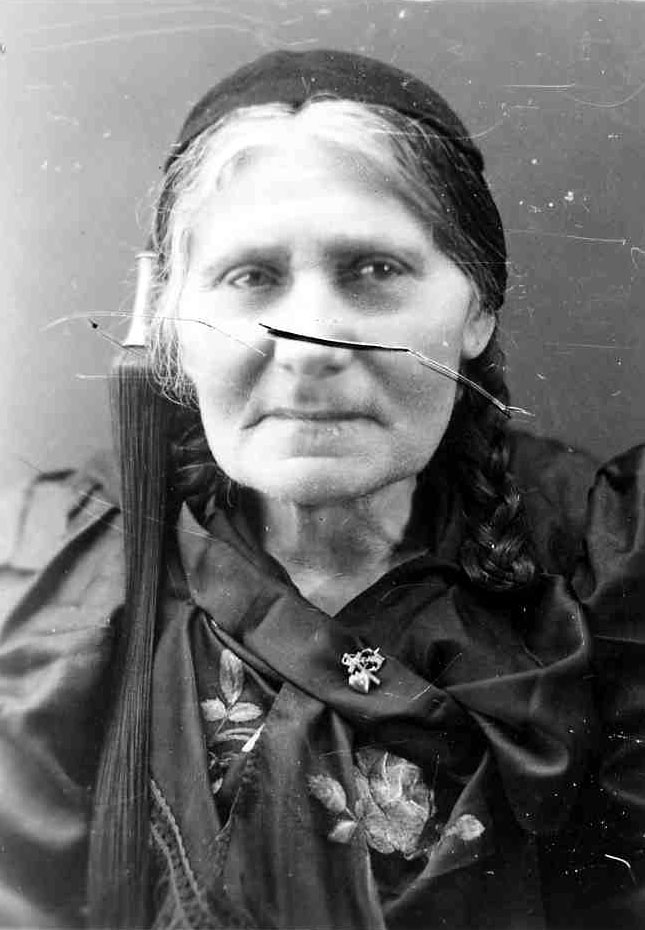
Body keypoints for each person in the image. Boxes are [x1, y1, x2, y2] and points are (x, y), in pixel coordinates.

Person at [0, 50, 601, 929]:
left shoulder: (602, 562)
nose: (310, 342)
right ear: (169, 323)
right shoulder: (61, 574)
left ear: (477, 308)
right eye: (251, 278)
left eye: (373, 270)